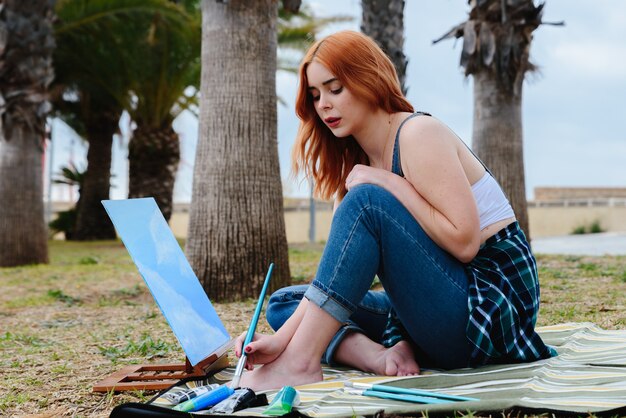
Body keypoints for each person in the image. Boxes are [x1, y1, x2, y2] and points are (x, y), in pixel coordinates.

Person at [234, 30, 555, 392]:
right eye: (315, 95)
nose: (324, 104)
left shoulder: (418, 134)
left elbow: (465, 244)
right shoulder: (363, 166)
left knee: (366, 203)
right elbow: (340, 277)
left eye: (335, 88)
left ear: (367, 78)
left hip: (485, 312)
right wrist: (279, 341)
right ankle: (379, 356)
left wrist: (389, 183)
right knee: (286, 304)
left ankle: (301, 362)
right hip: (434, 307)